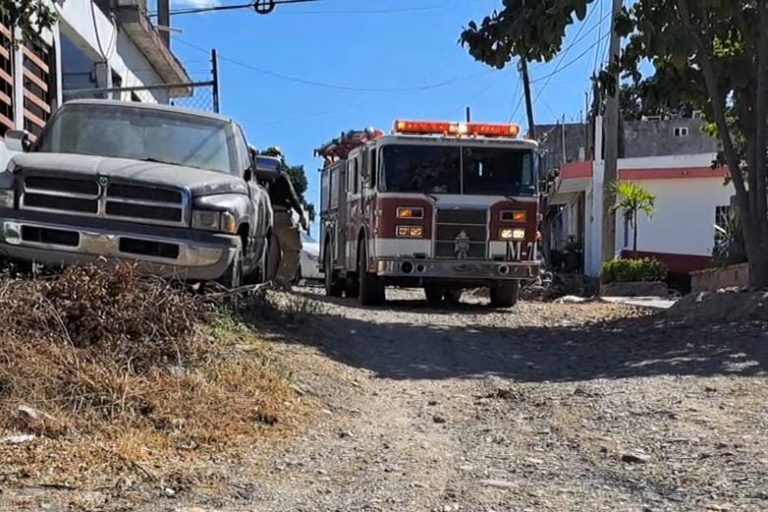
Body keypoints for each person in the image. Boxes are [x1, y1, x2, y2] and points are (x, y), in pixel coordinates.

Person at [263, 146, 308, 291]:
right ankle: (283, 277)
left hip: (269, 218)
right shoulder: (282, 176)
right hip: (283, 216)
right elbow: (292, 196)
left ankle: (269, 283)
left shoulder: (263, 178)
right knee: (293, 250)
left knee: (273, 254)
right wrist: (301, 213)